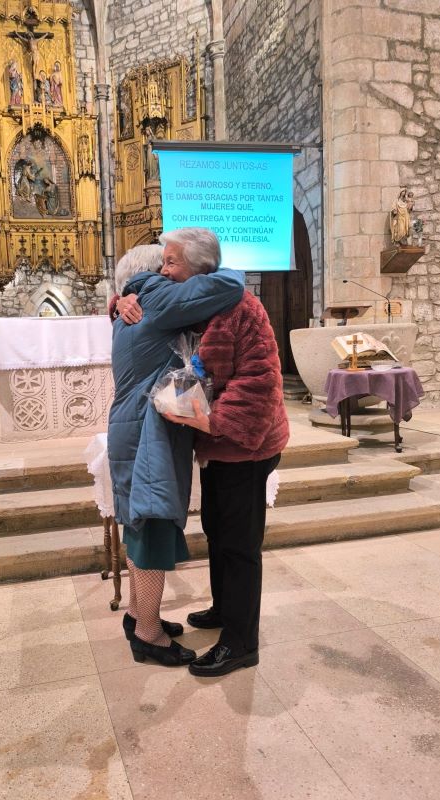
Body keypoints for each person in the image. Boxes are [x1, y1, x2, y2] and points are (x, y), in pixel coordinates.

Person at [118, 229, 290, 678]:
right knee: (217, 530)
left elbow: (261, 382)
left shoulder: (240, 308)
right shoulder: (193, 301)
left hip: (245, 446)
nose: (163, 269)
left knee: (239, 544)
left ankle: (240, 642)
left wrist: (211, 423)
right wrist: (118, 301)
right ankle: (224, 608)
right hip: (215, 446)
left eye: (171, 262)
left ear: (198, 269)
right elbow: (148, 321)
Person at [108, 234, 244, 667]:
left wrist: (119, 297)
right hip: (148, 436)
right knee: (152, 529)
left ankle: (137, 615)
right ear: (149, 276)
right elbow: (231, 285)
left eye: (173, 265)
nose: (168, 273)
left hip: (133, 431)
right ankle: (148, 634)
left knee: (138, 525)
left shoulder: (133, 311)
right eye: (162, 267)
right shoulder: (157, 298)